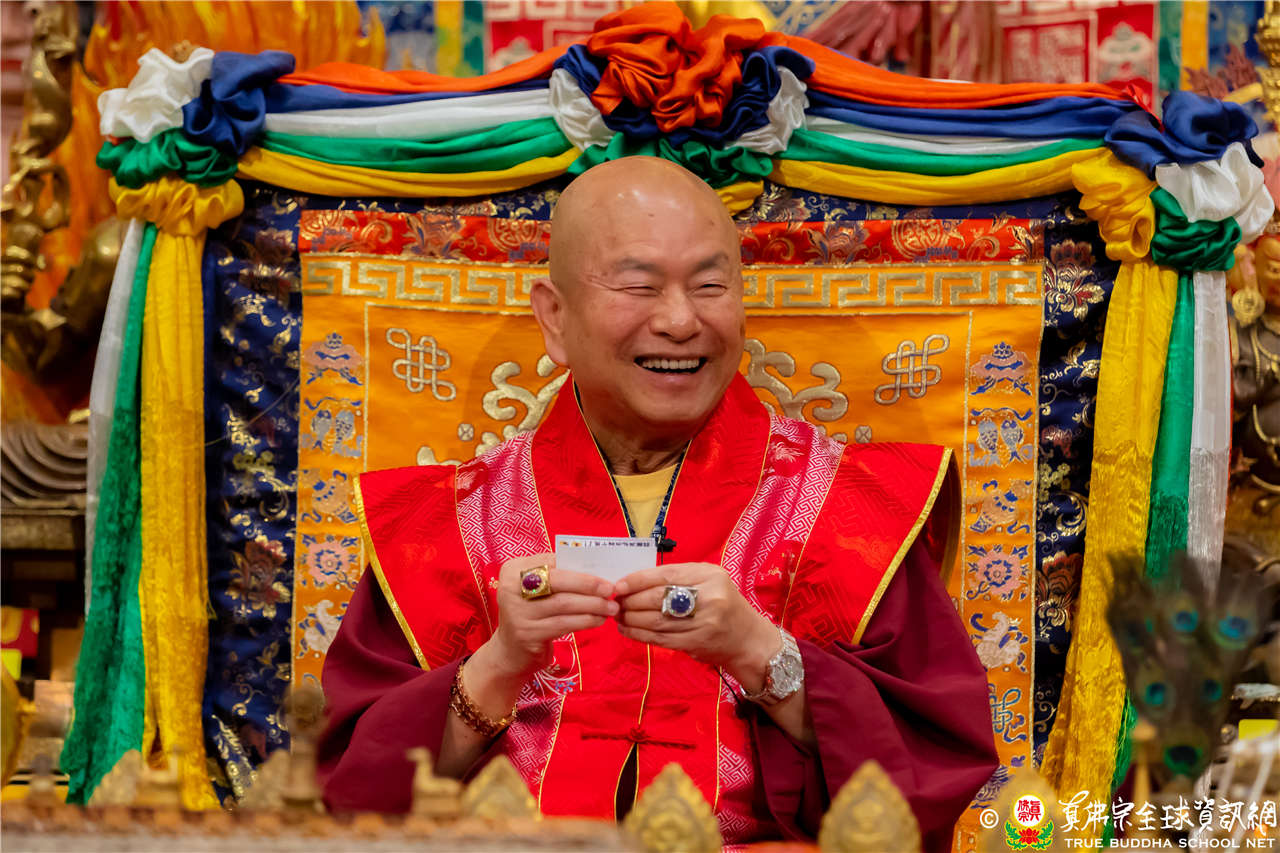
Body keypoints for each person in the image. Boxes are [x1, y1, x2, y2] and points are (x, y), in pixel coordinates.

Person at [317, 157, 998, 851]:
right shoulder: (446, 523)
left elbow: (930, 773)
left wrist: (761, 653)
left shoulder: (851, 507)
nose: (680, 320)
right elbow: (350, 797)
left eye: (710, 286)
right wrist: (501, 662)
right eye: (639, 286)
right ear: (555, 316)